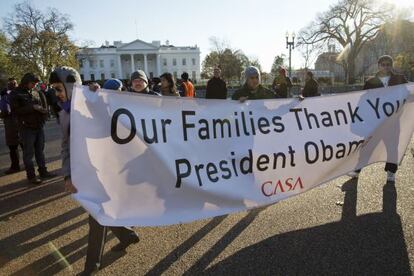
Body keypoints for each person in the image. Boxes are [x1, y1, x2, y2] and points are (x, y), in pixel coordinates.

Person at [49, 68, 140, 276]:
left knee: (96, 215)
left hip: (106, 170)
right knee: (99, 212)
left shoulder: (94, 103)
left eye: (58, 88)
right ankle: (127, 236)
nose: (56, 93)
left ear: (71, 85)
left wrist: (99, 98)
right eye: (54, 89)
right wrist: (67, 174)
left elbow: (113, 124)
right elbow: (66, 146)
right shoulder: (63, 113)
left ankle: (92, 266)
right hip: (84, 173)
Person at [348, 55, 408, 182]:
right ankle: (357, 170)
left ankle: (391, 172)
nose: (386, 67)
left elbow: (409, 92)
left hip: (393, 121)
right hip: (375, 122)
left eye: (388, 64)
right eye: (383, 64)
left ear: (391, 66)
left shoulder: (399, 79)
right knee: (368, 146)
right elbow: (363, 99)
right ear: (379, 65)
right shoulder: (370, 82)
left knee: (392, 148)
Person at [9, 73, 55, 184]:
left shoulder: (36, 92)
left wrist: (44, 114)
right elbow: (15, 111)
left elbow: (43, 106)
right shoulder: (16, 93)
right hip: (26, 128)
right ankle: (31, 176)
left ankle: (43, 172)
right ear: (26, 81)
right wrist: (32, 107)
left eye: (36, 83)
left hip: (38, 126)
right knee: (28, 153)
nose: (34, 85)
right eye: (33, 83)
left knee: (40, 151)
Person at [0, 78, 21, 174]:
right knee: (24, 145)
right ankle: (30, 165)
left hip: (11, 124)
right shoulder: (21, 93)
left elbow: (6, 111)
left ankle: (15, 166)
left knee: (13, 146)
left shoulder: (6, 96)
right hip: (22, 123)